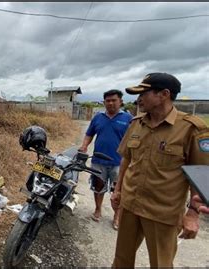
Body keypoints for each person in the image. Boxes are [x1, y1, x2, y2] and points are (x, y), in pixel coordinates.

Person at [110, 73, 209, 267]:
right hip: (130, 205)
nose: (138, 99)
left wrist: (193, 214)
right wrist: (118, 190)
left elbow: (201, 174)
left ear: (164, 94)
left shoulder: (191, 128)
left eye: (143, 93)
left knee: (161, 264)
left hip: (163, 213)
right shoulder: (136, 124)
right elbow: (126, 160)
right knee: (121, 260)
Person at [79, 89, 133, 229]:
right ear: (104, 102)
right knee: (98, 187)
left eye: (113, 100)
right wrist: (84, 146)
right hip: (98, 161)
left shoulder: (128, 119)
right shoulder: (98, 117)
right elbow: (89, 134)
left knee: (118, 190)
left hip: (119, 163)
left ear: (120, 101)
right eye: (107, 101)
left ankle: (117, 216)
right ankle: (98, 209)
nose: (110, 103)